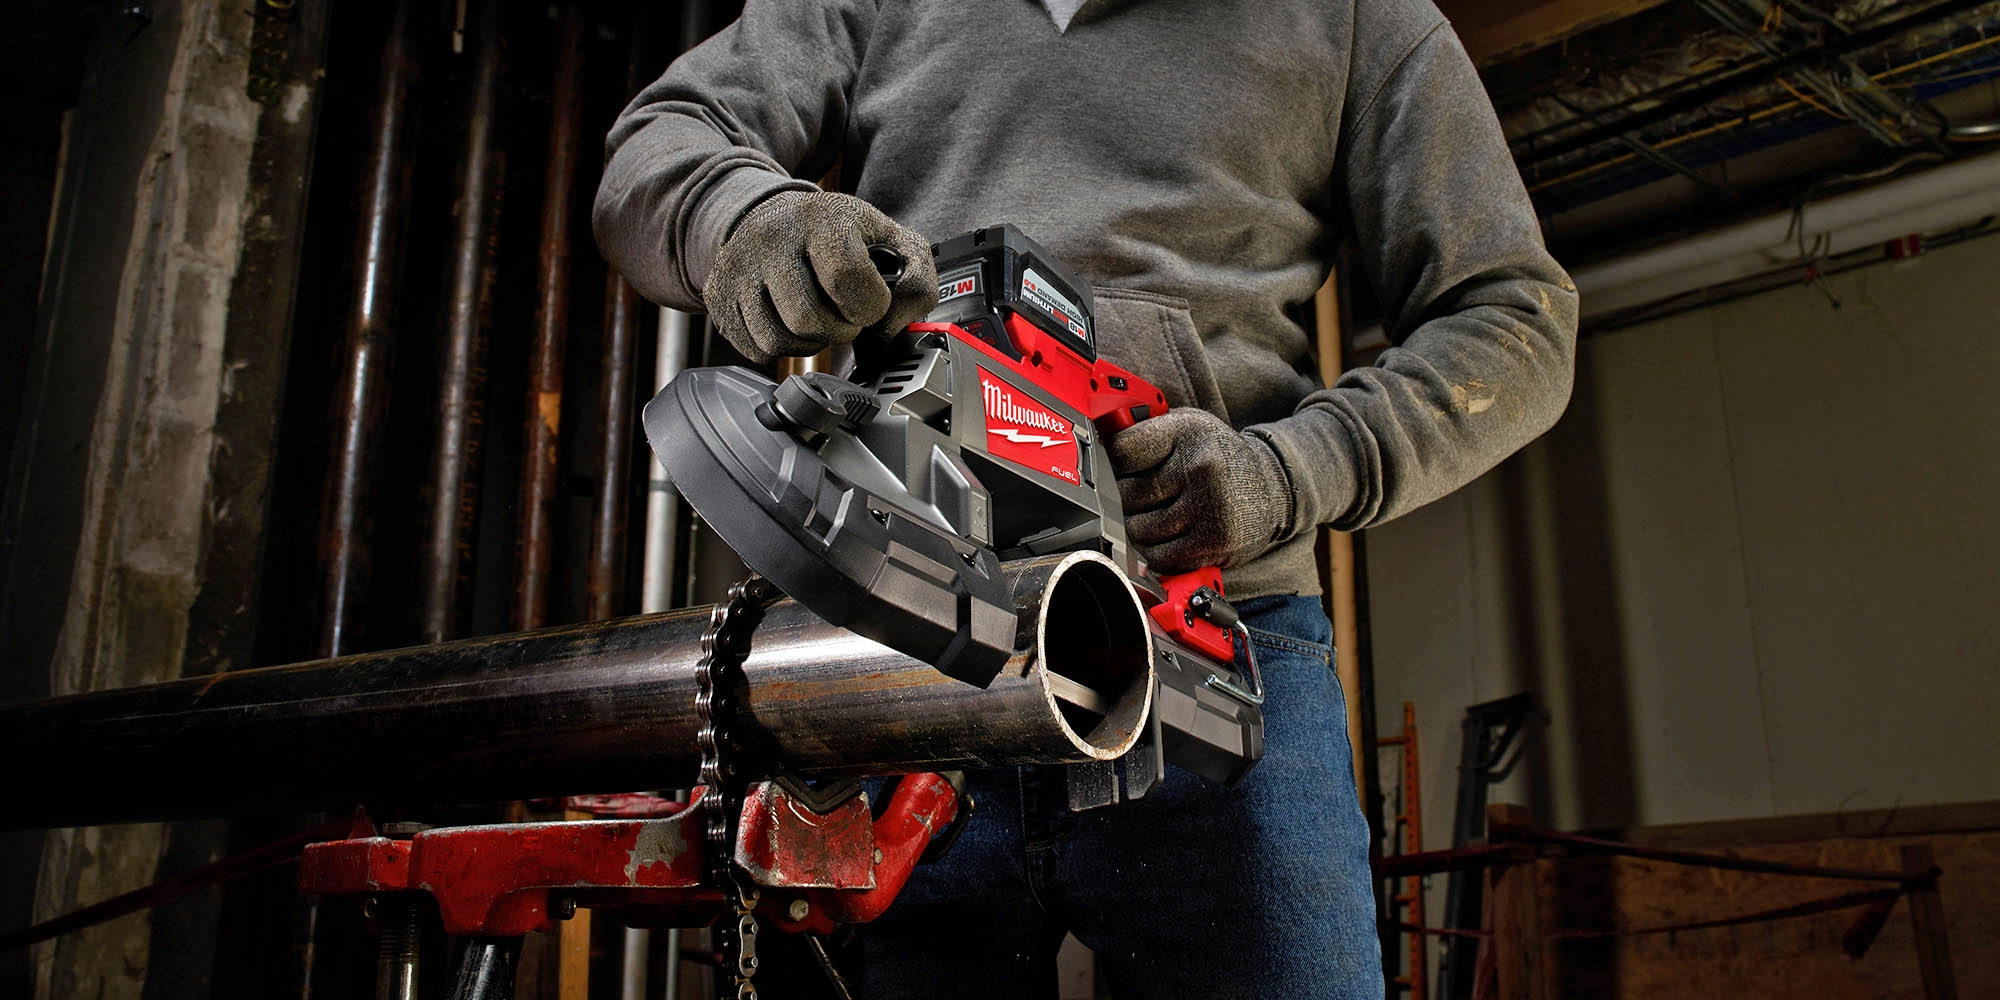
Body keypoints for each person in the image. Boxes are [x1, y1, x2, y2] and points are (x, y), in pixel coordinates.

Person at [594, 1, 1577, 996]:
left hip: (1211, 636)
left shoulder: (1359, 15)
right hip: (898, 628)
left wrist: (1287, 473)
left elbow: (1514, 319)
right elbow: (660, 138)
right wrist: (746, 219)